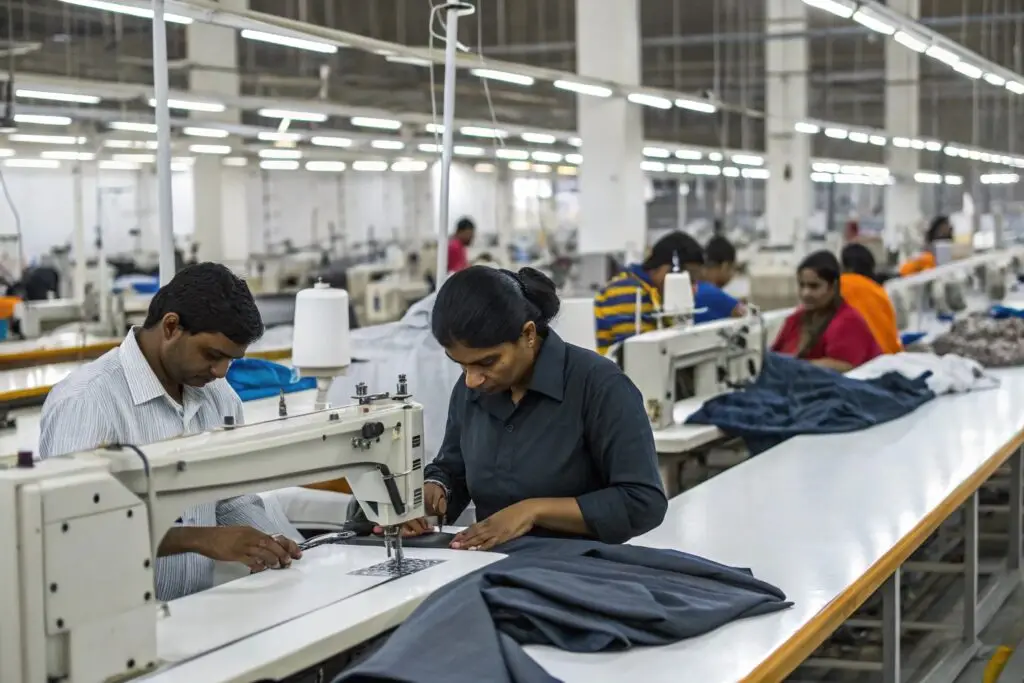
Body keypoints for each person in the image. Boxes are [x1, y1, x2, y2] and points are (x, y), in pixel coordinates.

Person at [39, 263, 302, 601]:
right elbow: (73, 525)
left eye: (231, 360)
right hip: (105, 623)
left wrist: (271, 541)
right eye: (213, 354)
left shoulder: (220, 399)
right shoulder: (88, 402)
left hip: (188, 613)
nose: (221, 372)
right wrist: (200, 538)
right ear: (171, 326)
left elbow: (229, 499)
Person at [390, 265, 667, 551]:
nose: (471, 379)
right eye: (460, 364)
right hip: (493, 566)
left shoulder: (600, 386)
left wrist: (532, 511)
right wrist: (435, 491)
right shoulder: (473, 389)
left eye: (487, 362)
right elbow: (452, 468)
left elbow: (642, 501)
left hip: (579, 571)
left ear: (528, 334)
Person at [593, 231, 705, 354]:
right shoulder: (628, 293)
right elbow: (640, 355)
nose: (692, 288)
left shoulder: (652, 293)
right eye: (689, 279)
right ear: (669, 270)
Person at [772, 250, 882, 372]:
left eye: (814, 286)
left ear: (833, 287)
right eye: (802, 285)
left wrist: (795, 367)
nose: (806, 293)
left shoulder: (847, 322)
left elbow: (844, 366)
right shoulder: (795, 320)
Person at [840, 244, 902, 355]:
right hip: (887, 357)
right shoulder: (878, 291)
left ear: (847, 267)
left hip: (859, 358)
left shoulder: (840, 285)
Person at [694, 235, 746, 324]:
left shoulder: (694, 288)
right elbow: (747, 315)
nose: (733, 275)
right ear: (725, 266)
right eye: (733, 269)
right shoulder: (714, 295)